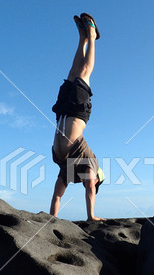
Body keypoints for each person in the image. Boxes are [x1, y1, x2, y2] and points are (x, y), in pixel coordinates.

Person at [50, 13, 105, 221]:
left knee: (73, 73)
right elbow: (91, 186)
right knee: (85, 73)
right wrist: (91, 216)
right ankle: (92, 36)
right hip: (76, 113)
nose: (88, 181)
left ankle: (82, 38)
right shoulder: (91, 163)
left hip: (63, 113)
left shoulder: (67, 171)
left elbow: (57, 195)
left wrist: (51, 220)